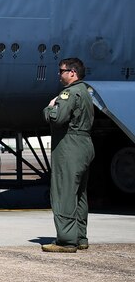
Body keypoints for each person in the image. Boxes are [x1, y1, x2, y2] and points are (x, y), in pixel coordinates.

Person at [42, 57, 94, 253]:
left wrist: (49, 107)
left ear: (73, 72)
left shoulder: (69, 93)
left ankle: (66, 240)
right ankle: (80, 237)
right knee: (80, 194)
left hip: (69, 147)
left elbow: (58, 118)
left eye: (62, 70)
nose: (59, 74)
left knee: (64, 192)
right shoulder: (86, 92)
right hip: (85, 145)